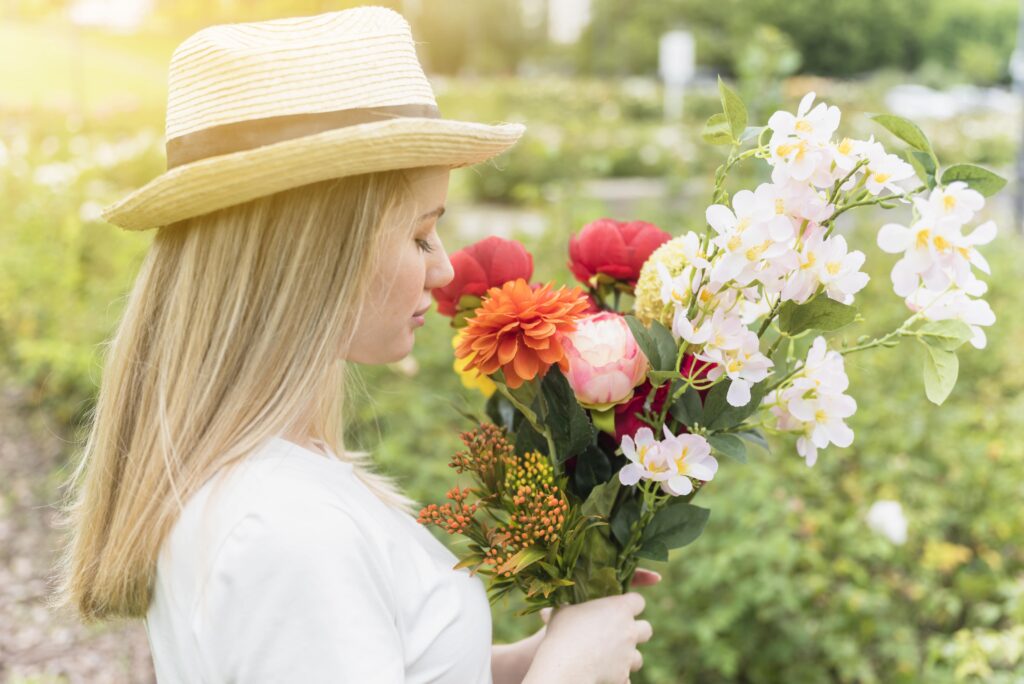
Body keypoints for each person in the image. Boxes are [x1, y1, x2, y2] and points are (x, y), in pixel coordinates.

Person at [48, 7, 656, 683]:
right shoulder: (285, 530)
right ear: (319, 257)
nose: (446, 268)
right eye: (420, 234)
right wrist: (569, 671)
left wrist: (516, 667)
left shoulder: (271, 481)